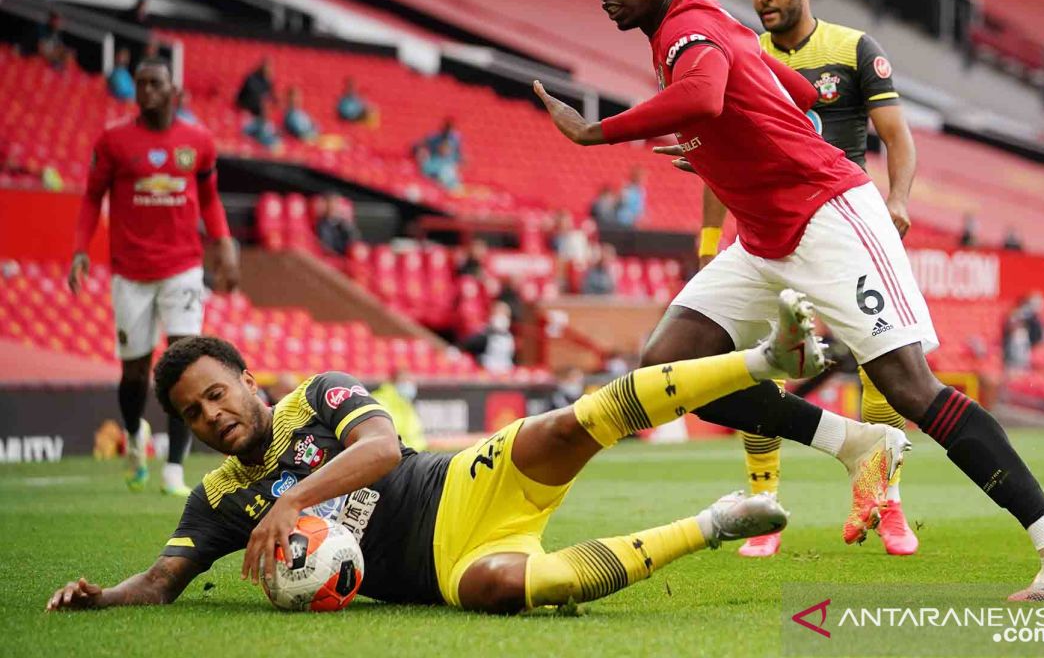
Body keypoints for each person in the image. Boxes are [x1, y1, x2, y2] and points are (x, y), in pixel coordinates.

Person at [532, 0, 1044, 602]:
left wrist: (597, 131)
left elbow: (707, 95)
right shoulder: (702, 21)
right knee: (667, 367)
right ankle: (853, 444)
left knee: (910, 389)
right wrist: (729, 148)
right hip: (762, 235)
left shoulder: (687, 31)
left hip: (827, 219)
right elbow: (797, 94)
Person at [45, 296, 821, 613]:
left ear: (246, 381)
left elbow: (383, 450)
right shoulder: (216, 500)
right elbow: (161, 580)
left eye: (216, 394)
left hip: (461, 486)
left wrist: (292, 501)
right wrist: (100, 600)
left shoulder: (315, 397)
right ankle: (714, 523)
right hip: (439, 576)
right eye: (192, 414)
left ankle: (764, 358)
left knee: (568, 426)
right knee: (514, 589)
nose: (211, 416)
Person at [658, 0, 919, 557]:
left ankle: (887, 499)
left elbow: (896, 136)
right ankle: (763, 504)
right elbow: (713, 158)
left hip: (841, 225)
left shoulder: (855, 49)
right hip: (763, 230)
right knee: (752, 362)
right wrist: (705, 245)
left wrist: (898, 199)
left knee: (881, 356)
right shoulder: (734, 52)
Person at [68, 56, 239, 497]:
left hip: (182, 268)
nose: (145, 91)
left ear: (173, 91)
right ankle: (133, 434)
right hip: (130, 272)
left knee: (184, 364)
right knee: (134, 373)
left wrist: (222, 242)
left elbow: (210, 199)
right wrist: (80, 251)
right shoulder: (114, 140)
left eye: (154, 84)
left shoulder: (197, 141)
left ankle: (173, 471)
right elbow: (91, 198)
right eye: (140, 84)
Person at [462, 301, 516, 373]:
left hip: (505, 373)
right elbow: (468, 347)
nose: (501, 318)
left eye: (505, 315)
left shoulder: (509, 337)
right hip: (487, 374)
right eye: (498, 314)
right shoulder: (484, 335)